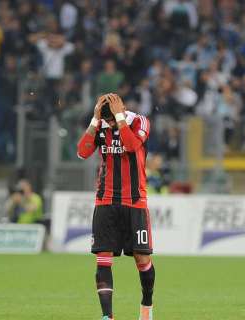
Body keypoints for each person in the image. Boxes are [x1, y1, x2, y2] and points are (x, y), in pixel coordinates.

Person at [77, 93, 155, 320]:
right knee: (103, 257)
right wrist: (94, 121)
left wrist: (119, 118)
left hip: (135, 201)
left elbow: (130, 145)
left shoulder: (140, 121)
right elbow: (82, 152)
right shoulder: (100, 125)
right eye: (106, 119)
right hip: (106, 200)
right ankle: (107, 317)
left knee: (142, 259)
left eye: (111, 119)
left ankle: (147, 307)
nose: (109, 124)